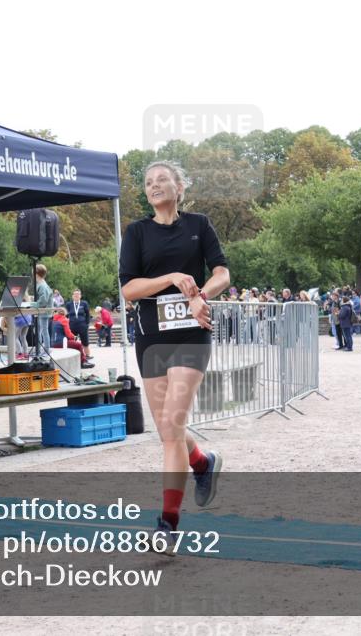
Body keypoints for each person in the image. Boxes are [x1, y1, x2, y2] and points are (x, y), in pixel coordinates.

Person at [119, 160, 230, 551]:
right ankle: (201, 462)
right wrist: (170, 278)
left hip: (191, 336)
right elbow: (129, 289)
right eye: (149, 182)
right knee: (168, 430)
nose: (154, 185)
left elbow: (222, 273)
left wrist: (201, 295)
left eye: (162, 179)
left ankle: (168, 524)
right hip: (151, 338)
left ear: (179, 187)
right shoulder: (137, 232)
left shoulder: (199, 225)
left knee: (171, 424)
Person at [64, 289, 93, 361]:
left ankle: (87, 355)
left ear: (80, 296)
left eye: (78, 294)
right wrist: (66, 323)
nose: (76, 295)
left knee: (85, 341)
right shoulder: (69, 304)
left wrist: (87, 323)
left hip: (82, 325)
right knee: (71, 341)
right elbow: (66, 315)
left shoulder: (84, 303)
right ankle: (71, 355)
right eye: (75, 294)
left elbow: (88, 314)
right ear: (72, 296)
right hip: (72, 325)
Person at [34, 264, 53, 355]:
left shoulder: (42, 285)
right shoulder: (42, 284)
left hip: (43, 312)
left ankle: (46, 350)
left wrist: (32, 304)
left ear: (36, 273)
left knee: (43, 331)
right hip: (43, 312)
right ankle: (41, 349)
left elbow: (43, 301)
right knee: (40, 331)